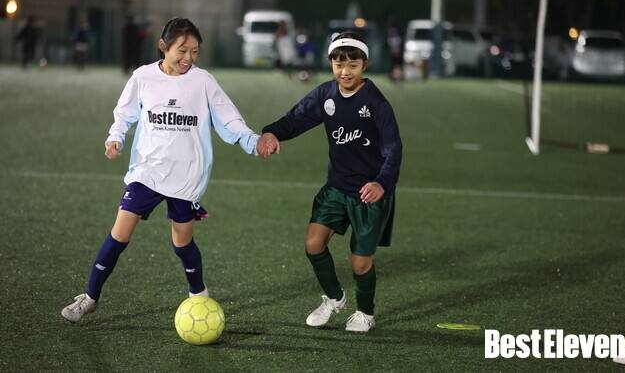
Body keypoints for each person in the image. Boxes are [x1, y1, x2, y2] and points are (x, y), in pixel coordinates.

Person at [61, 17, 276, 323]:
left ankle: (198, 292)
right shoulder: (143, 77)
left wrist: (254, 142)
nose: (188, 58)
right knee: (119, 234)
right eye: (182, 50)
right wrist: (115, 137)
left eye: (195, 51)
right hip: (147, 171)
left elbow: (230, 120)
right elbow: (124, 113)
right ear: (163, 46)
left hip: (186, 177)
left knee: (182, 242)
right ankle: (90, 297)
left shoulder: (203, 82)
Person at [261, 31, 402, 332]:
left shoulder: (376, 102)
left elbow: (394, 148)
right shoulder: (326, 94)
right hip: (336, 187)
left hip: (369, 194)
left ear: (365, 65)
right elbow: (296, 119)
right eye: (339, 65)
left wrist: (381, 183)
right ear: (331, 63)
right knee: (313, 244)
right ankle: (334, 298)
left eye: (353, 65)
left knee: (359, 263)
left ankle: (365, 313)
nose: (345, 71)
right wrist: (272, 131)